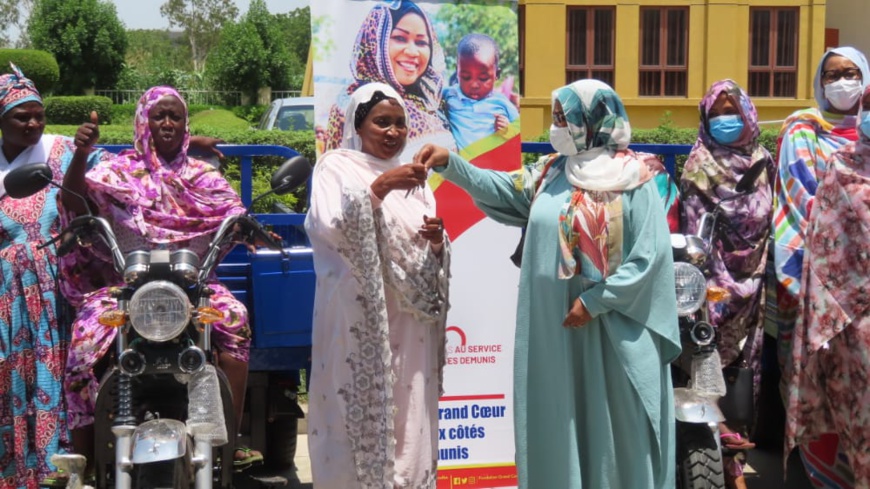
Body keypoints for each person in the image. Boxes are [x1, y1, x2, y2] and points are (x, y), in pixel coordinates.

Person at [415, 79, 679, 489]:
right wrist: (452, 163)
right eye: (556, 117)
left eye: (564, 118)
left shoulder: (641, 177)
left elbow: (651, 255)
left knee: (617, 427)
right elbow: (503, 190)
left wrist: (595, 302)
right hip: (554, 332)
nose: (557, 126)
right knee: (559, 417)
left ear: (592, 120)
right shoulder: (553, 171)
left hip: (613, 328)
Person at [57, 86, 264, 475]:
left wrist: (247, 227)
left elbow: (234, 214)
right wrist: (81, 153)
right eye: (158, 116)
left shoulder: (204, 175)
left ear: (186, 125)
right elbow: (74, 201)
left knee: (235, 319)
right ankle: (81, 462)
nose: (167, 123)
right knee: (84, 343)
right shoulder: (116, 172)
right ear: (143, 121)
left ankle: (230, 442)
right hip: (128, 291)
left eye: (175, 116)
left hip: (195, 288)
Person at [304, 82, 450, 488]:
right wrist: (382, 187)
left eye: (400, 123)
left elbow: (423, 250)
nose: (393, 132)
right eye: (382, 122)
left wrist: (437, 241)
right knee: (358, 405)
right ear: (358, 124)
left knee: (410, 407)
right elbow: (329, 226)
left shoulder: (417, 179)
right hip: (359, 318)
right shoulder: (335, 167)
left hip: (410, 321)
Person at [0, 64, 114, 489]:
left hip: (59, 289)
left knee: (64, 371)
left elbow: (122, 172)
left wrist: (190, 145)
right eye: (21, 117)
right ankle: (19, 471)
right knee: (13, 378)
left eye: (38, 115)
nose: (33, 124)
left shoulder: (64, 150)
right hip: (9, 296)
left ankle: (63, 468)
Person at [773, 46, 869, 487]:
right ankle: (827, 478)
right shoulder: (803, 131)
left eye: (851, 73)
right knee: (819, 379)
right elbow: (799, 204)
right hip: (819, 284)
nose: (842, 82)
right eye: (832, 75)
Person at [680, 79, 774, 489]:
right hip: (716, 284)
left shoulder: (763, 161)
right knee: (709, 360)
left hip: (757, 279)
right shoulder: (699, 164)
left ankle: (735, 457)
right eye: (715, 114)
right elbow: (695, 234)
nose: (724, 120)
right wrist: (716, 286)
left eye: (731, 111)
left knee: (746, 369)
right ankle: (716, 457)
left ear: (747, 114)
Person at [323, 0, 456, 157]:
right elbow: (337, 168)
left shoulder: (431, 104)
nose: (413, 52)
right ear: (375, 41)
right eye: (400, 38)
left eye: (421, 42)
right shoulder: (354, 104)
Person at [442, 33, 519, 152]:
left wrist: (507, 130)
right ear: (457, 72)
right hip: (461, 161)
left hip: (492, 160)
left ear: (497, 75)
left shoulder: (501, 102)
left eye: (483, 78)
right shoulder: (450, 94)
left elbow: (519, 132)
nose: (474, 85)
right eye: (466, 77)